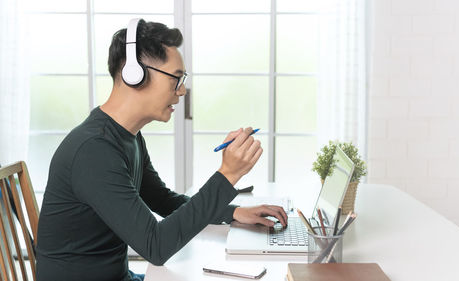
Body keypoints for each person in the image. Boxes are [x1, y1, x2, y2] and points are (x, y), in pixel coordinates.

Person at [35, 19, 288, 281]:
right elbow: (155, 246)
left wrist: (233, 212)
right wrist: (227, 175)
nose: (182, 90)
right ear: (135, 74)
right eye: (176, 78)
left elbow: (164, 200)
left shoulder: (127, 137)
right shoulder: (93, 150)